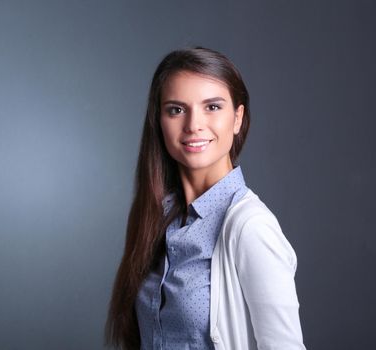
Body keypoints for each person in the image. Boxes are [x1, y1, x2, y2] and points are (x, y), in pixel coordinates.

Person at [105, 47, 306, 349]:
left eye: (212, 107)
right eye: (176, 109)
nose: (193, 125)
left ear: (237, 118)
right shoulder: (156, 219)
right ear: (159, 121)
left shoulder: (251, 228)